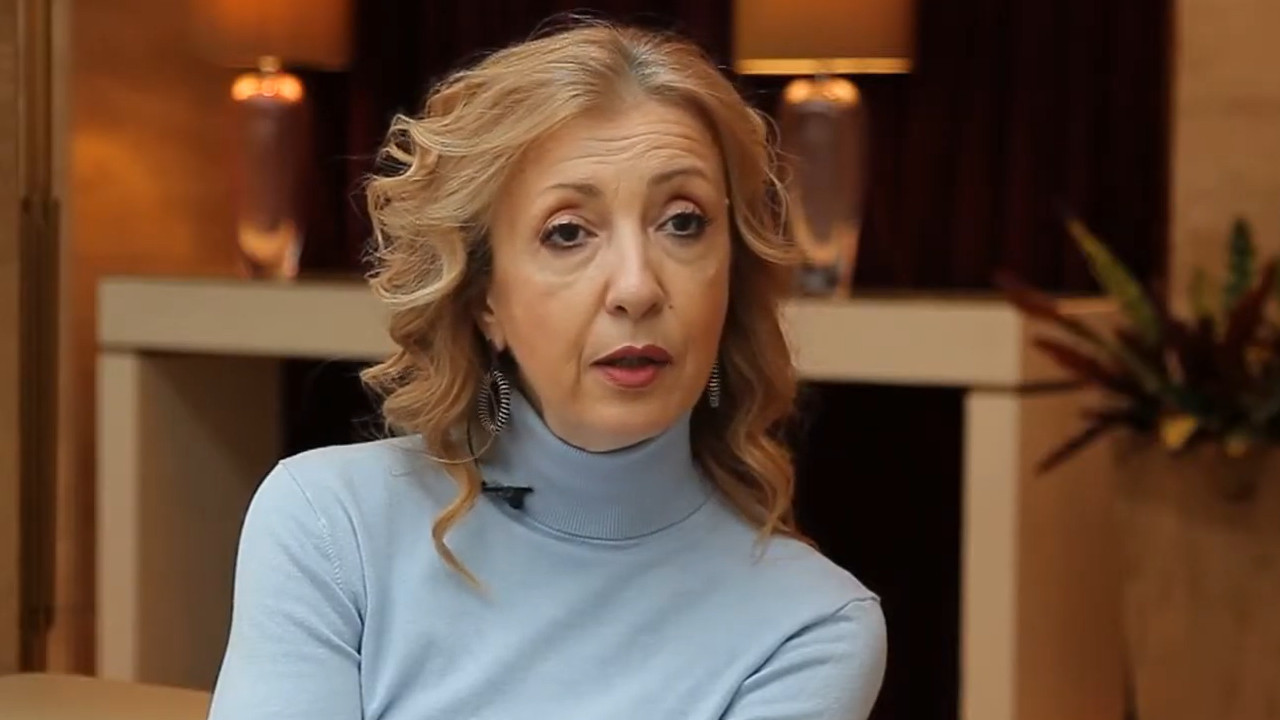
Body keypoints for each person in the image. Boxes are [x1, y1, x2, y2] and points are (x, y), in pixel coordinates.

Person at [207, 20, 886, 720]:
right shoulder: (331, 524)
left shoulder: (811, 626)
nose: (637, 288)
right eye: (568, 232)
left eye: (683, 223)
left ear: (731, 277)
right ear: (485, 298)